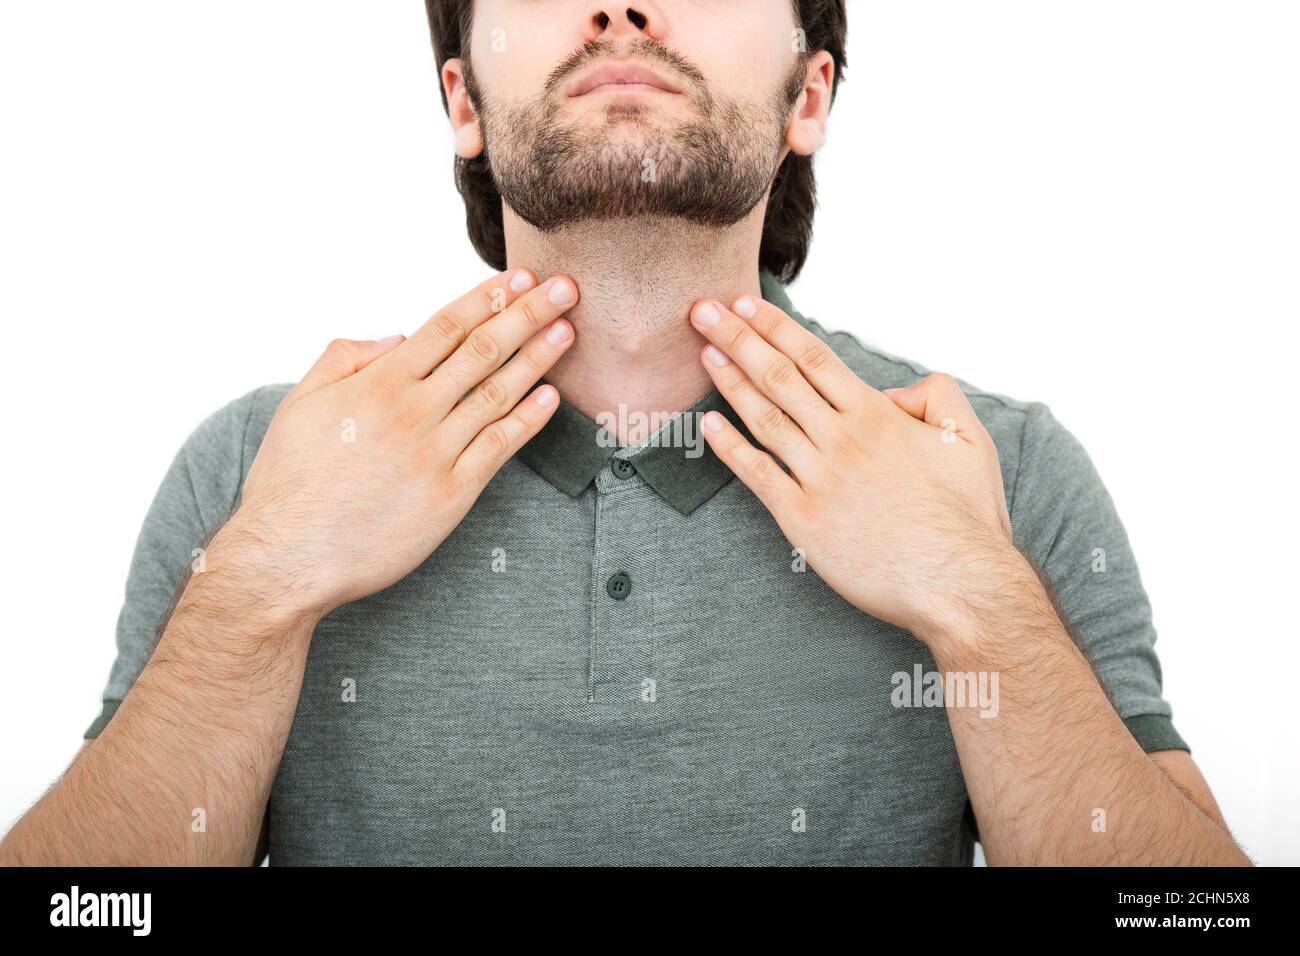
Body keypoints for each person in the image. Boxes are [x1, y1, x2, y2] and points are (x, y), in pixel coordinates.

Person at [0, 0, 1248, 866]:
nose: (618, 12)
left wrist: (979, 603)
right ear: (463, 102)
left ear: (809, 95)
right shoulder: (253, 469)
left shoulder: (993, 466)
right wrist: (259, 584)